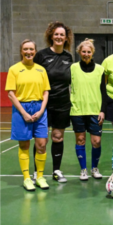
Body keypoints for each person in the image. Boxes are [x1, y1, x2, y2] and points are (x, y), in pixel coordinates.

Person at [5, 39, 50, 191]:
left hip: (39, 108)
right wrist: (24, 113)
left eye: (31, 49)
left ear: (35, 51)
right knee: (24, 144)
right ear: (21, 51)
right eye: (26, 49)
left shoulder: (41, 70)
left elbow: (46, 92)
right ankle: (26, 178)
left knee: (42, 144)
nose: (29, 52)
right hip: (21, 108)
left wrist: (42, 110)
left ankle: (40, 177)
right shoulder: (14, 69)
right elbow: (11, 94)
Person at [32, 21, 73, 183]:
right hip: (43, 104)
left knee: (58, 137)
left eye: (62, 34)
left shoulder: (68, 57)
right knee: (41, 140)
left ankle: (56, 170)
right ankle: (37, 173)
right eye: (56, 34)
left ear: (66, 38)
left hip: (62, 103)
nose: (59, 37)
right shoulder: (41, 55)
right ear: (51, 36)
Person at [70, 39, 107, 181]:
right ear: (79, 52)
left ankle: (94, 168)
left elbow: (104, 92)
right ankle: (83, 170)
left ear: (93, 53)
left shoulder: (100, 69)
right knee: (80, 140)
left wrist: (102, 110)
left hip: (95, 111)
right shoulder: (73, 68)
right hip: (77, 110)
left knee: (96, 141)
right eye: (83, 51)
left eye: (89, 51)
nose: (86, 54)